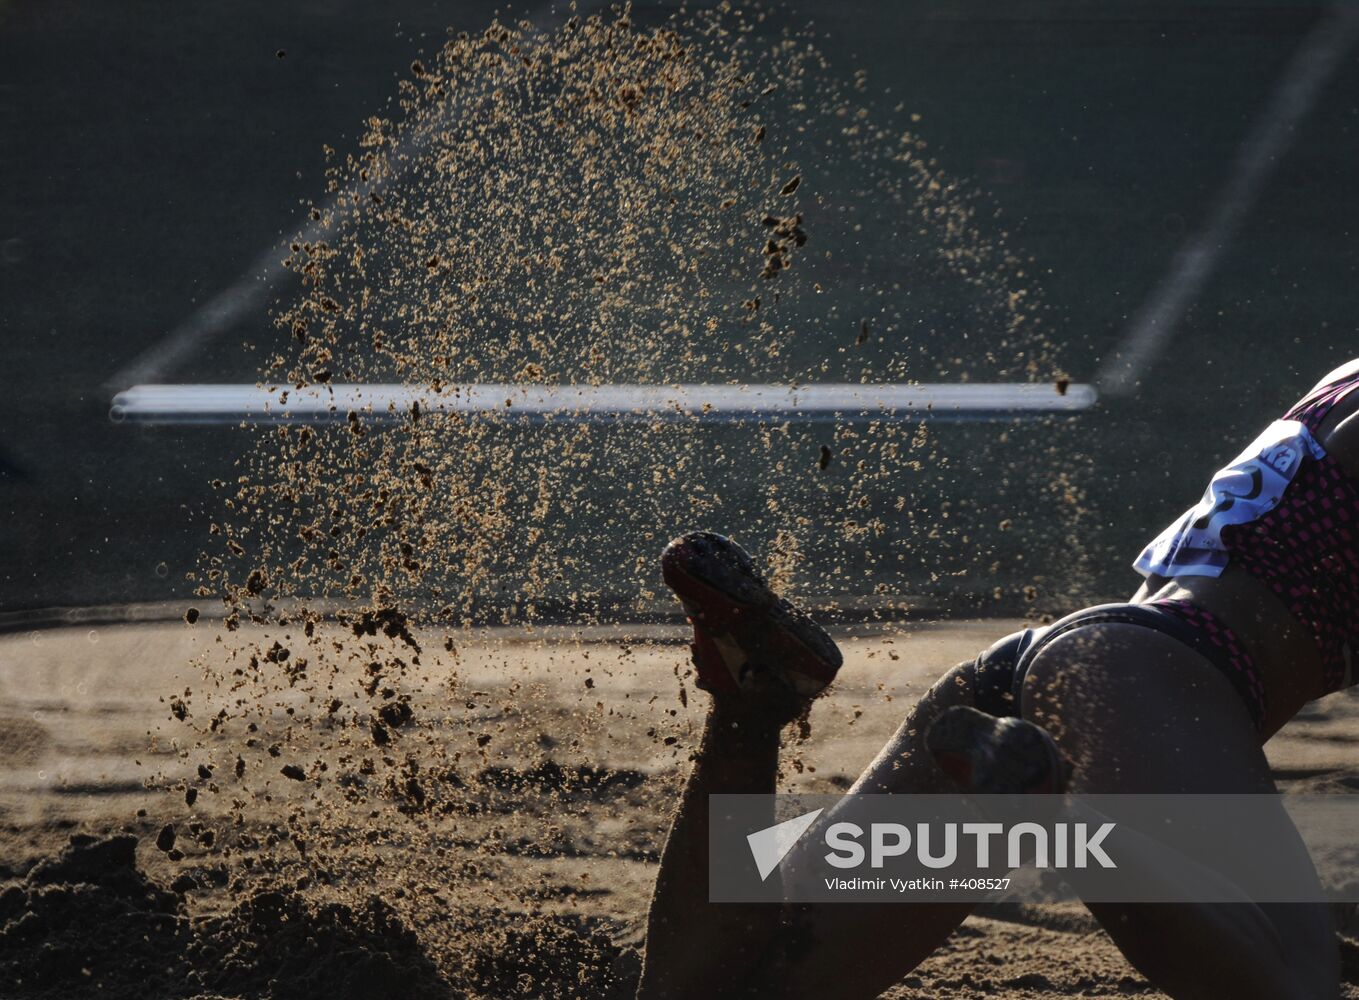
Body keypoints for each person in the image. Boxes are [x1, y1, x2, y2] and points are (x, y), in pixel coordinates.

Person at [635, 359, 1359, 1000]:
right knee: (1293, 985)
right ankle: (1048, 811)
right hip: (1148, 683)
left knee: (752, 988)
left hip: (1046, 676)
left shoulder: (1341, 383)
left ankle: (751, 704)